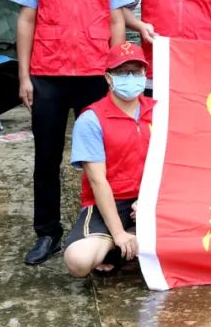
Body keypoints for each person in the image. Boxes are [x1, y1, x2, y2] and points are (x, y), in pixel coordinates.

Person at [9, 0, 133, 266]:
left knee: (102, 159)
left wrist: (115, 72)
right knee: (46, 156)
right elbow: (26, 20)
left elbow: (117, 21)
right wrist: (24, 76)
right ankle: (47, 232)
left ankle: (101, 226)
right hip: (48, 73)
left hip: (96, 75)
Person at [64, 42, 154, 277]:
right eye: (122, 72)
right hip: (110, 200)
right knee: (78, 261)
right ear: (108, 78)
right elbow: (98, 181)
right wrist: (118, 233)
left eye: (136, 71)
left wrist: (151, 202)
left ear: (145, 74)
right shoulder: (91, 119)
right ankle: (124, 241)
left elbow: (174, 165)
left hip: (152, 198)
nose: (130, 77)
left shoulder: (160, 111)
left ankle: (129, 244)